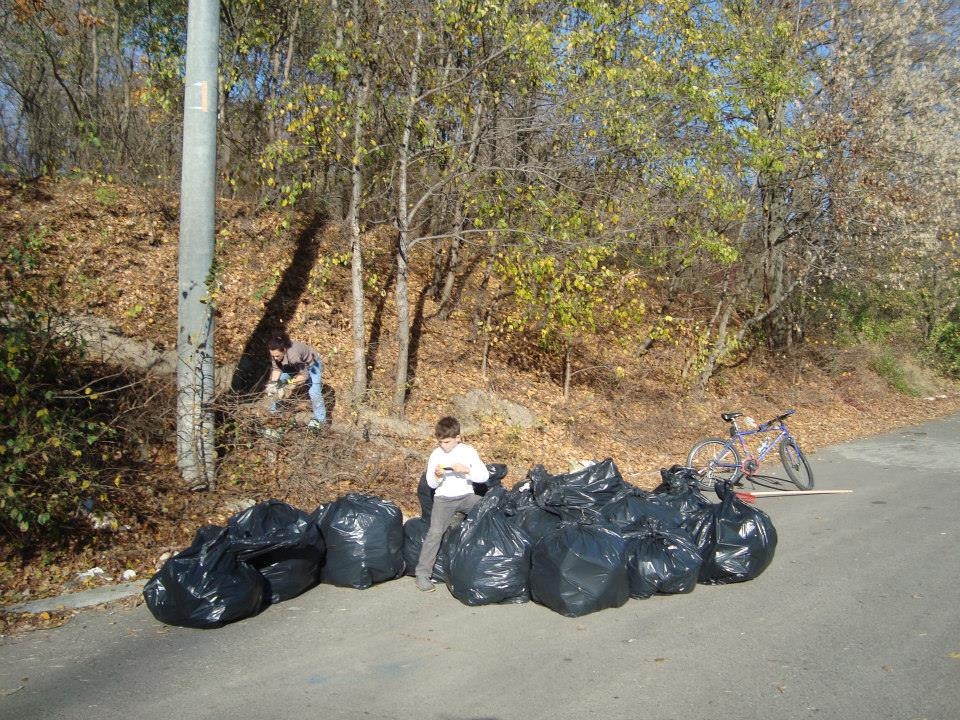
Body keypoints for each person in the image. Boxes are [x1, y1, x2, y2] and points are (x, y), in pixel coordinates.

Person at [414, 416, 489, 592]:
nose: (443, 446)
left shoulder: (468, 451)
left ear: (458, 438)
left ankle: (485, 559)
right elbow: (431, 484)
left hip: (466, 497)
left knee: (489, 510)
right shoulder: (436, 454)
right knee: (435, 532)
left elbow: (484, 476)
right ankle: (422, 574)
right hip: (444, 499)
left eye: (447, 442)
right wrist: (437, 476)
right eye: (440, 442)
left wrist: (467, 471)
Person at [265, 331, 326, 428]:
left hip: (312, 365)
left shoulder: (293, 355)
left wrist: (288, 381)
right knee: (276, 388)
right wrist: (274, 384)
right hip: (292, 366)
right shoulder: (275, 354)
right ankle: (275, 415)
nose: (275, 358)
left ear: (284, 350)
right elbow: (276, 369)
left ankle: (320, 421)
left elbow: (304, 376)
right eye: (273, 356)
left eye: (277, 356)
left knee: (314, 391)